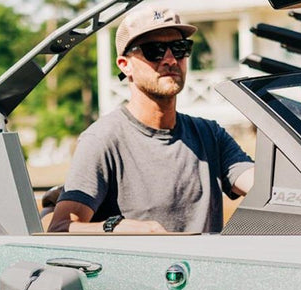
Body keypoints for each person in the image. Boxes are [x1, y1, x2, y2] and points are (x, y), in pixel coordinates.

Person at [48, 8, 255, 234]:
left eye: (179, 48)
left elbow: (263, 185)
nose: (170, 60)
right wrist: (118, 227)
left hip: (205, 268)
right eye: (153, 51)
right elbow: (60, 228)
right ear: (124, 65)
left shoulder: (210, 134)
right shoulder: (102, 139)